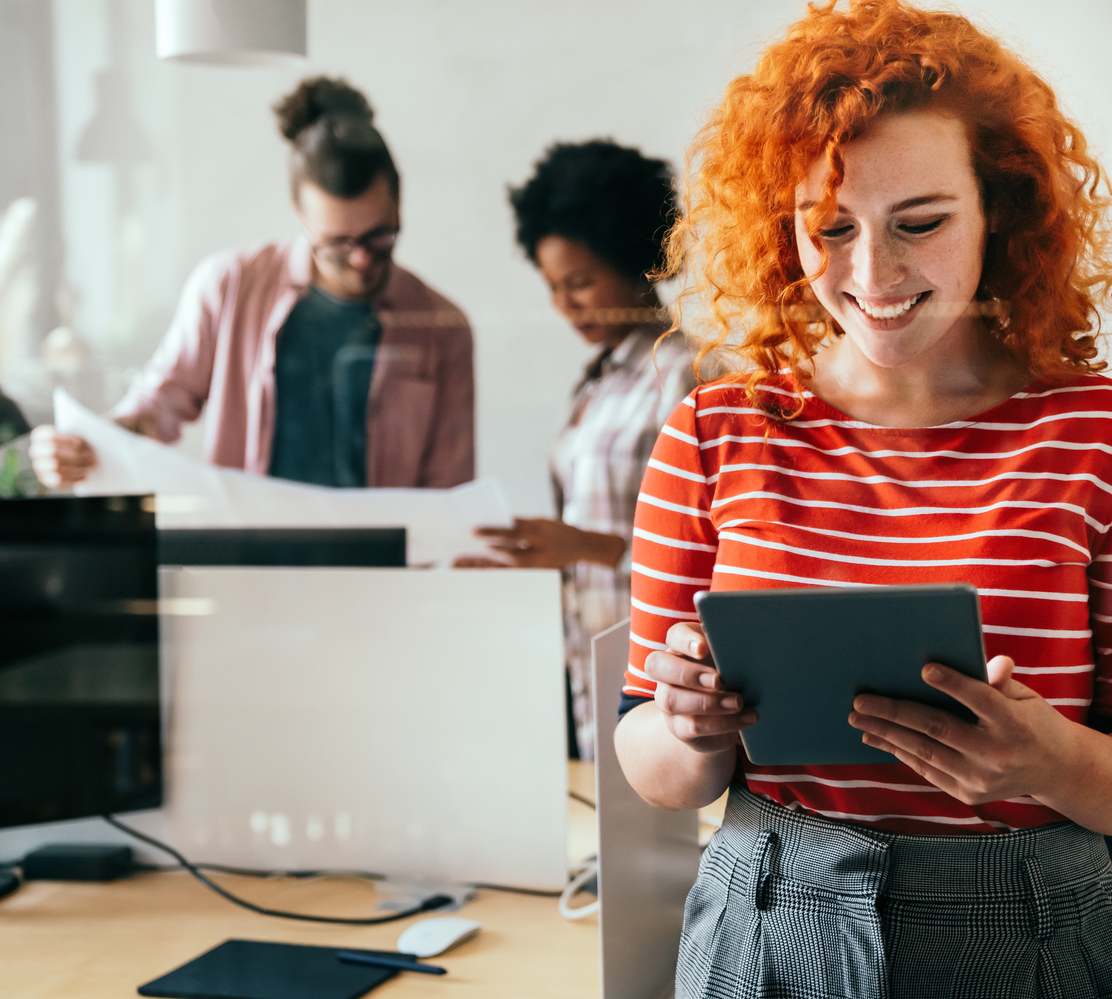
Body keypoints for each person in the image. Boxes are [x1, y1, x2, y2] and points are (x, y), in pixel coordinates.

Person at [614, 3, 1112, 999]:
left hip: (1031, 931)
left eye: (920, 224)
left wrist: (1050, 757)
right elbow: (657, 770)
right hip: (767, 922)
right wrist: (688, 722)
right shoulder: (716, 431)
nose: (872, 275)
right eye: (830, 229)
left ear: (1000, 212)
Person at [29, 77, 473, 491]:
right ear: (299, 213)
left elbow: (450, 497)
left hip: (387, 573)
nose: (360, 258)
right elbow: (156, 408)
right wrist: (83, 447)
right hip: (242, 562)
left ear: (399, 200)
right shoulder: (229, 286)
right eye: (337, 243)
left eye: (380, 237)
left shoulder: (442, 328)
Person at [464, 141, 695, 762]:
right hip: (590, 663)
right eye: (552, 286)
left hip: (666, 672)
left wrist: (585, 548)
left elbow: (712, 557)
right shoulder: (593, 387)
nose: (564, 304)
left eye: (581, 282)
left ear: (634, 260)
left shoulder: (685, 375)